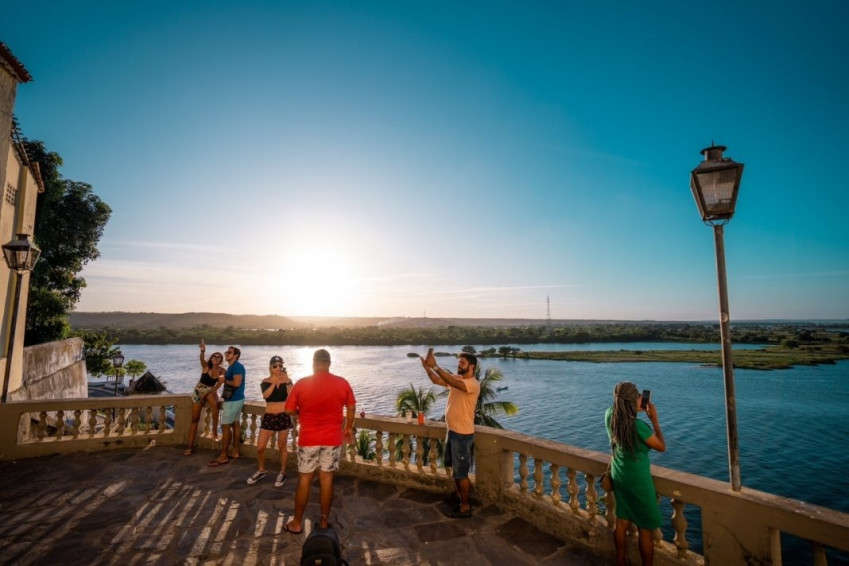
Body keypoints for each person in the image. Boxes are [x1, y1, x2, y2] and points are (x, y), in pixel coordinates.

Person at [283, 349, 356, 534]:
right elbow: (352, 405)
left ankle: (297, 523)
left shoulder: (302, 384)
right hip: (332, 439)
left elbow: (289, 409)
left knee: (305, 479)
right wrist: (348, 427)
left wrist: (300, 414)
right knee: (327, 479)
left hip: (308, 439)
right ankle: (324, 522)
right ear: (329, 363)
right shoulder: (342, 383)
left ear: (313, 363)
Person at [605, 381, 666, 566]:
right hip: (638, 480)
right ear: (632, 401)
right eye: (638, 396)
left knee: (621, 521)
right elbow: (661, 447)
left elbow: (622, 415)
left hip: (620, 474)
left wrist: (632, 409)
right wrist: (654, 419)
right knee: (645, 529)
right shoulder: (639, 427)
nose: (641, 398)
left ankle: (620, 560)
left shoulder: (610, 415)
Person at [421, 349, 480, 518]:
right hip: (453, 432)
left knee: (461, 473)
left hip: (463, 435)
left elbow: (453, 383)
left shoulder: (472, 384)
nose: (458, 365)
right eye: (458, 362)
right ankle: (460, 496)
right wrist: (428, 368)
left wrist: (436, 366)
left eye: (462, 363)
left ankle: (465, 506)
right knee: (456, 471)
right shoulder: (458, 379)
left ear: (472, 366)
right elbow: (437, 380)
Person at [246, 355, 295, 487]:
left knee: (282, 446)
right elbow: (266, 395)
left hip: (283, 416)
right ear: (270, 367)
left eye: (280, 365)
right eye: (275, 366)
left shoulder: (287, 381)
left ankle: (282, 472)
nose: (278, 368)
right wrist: (274, 382)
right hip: (269, 416)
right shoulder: (265, 381)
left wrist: (287, 381)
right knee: (260, 447)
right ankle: (261, 470)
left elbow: (292, 397)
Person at [208, 346, 246, 467]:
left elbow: (237, 383)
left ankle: (223, 456)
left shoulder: (237, 367)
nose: (226, 354)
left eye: (229, 352)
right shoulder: (232, 367)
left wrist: (224, 380)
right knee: (235, 424)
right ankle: (235, 451)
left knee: (225, 428)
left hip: (233, 401)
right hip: (236, 399)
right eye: (226, 352)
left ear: (236, 355)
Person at [184, 339, 224, 455]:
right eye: (214, 356)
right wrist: (202, 351)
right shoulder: (206, 366)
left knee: (215, 405)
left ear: (221, 360)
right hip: (199, 390)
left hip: (211, 390)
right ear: (211, 358)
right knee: (195, 419)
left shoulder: (223, 370)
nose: (216, 358)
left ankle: (215, 432)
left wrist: (208, 393)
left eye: (219, 357)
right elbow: (201, 359)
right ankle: (190, 446)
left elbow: (219, 385)